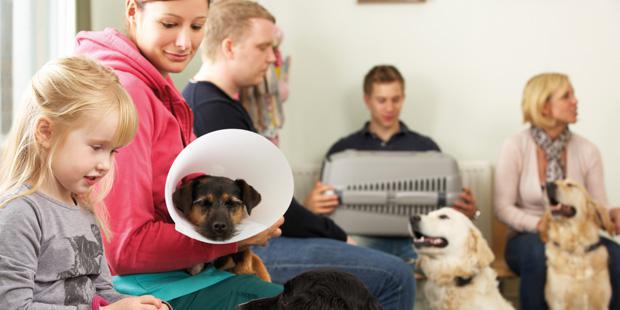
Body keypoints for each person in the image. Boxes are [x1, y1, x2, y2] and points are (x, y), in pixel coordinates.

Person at [182, 1, 414, 309]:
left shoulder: (218, 104)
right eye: (264, 47)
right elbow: (277, 211)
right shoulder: (213, 111)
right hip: (253, 245)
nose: (272, 58)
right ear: (230, 47)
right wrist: (339, 235)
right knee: (396, 274)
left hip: (262, 236)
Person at [75, 1, 283, 309]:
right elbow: (124, 249)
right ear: (133, 12)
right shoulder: (129, 92)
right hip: (134, 286)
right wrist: (234, 239)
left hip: (170, 273)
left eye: (197, 26)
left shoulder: (157, 85)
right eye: (169, 24)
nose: (185, 43)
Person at [0, 56, 169, 309]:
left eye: (112, 151)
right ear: (46, 132)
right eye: (97, 147)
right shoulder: (20, 212)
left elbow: (101, 293)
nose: (105, 164)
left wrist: (137, 305)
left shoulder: (84, 209)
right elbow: (12, 306)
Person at [307, 65, 478, 263]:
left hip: (417, 240)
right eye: (381, 100)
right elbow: (322, 210)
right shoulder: (342, 150)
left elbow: (443, 213)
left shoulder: (426, 148)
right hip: (362, 239)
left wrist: (470, 212)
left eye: (395, 99)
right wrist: (310, 206)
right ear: (367, 100)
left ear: (403, 98)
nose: (389, 108)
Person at [494, 72, 620, 310]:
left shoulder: (588, 150)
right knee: (538, 255)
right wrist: (539, 225)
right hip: (527, 236)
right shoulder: (515, 146)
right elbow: (502, 208)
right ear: (544, 106)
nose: (575, 101)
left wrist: (609, 215)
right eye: (566, 96)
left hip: (577, 235)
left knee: (617, 258)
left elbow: (597, 204)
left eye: (573, 95)